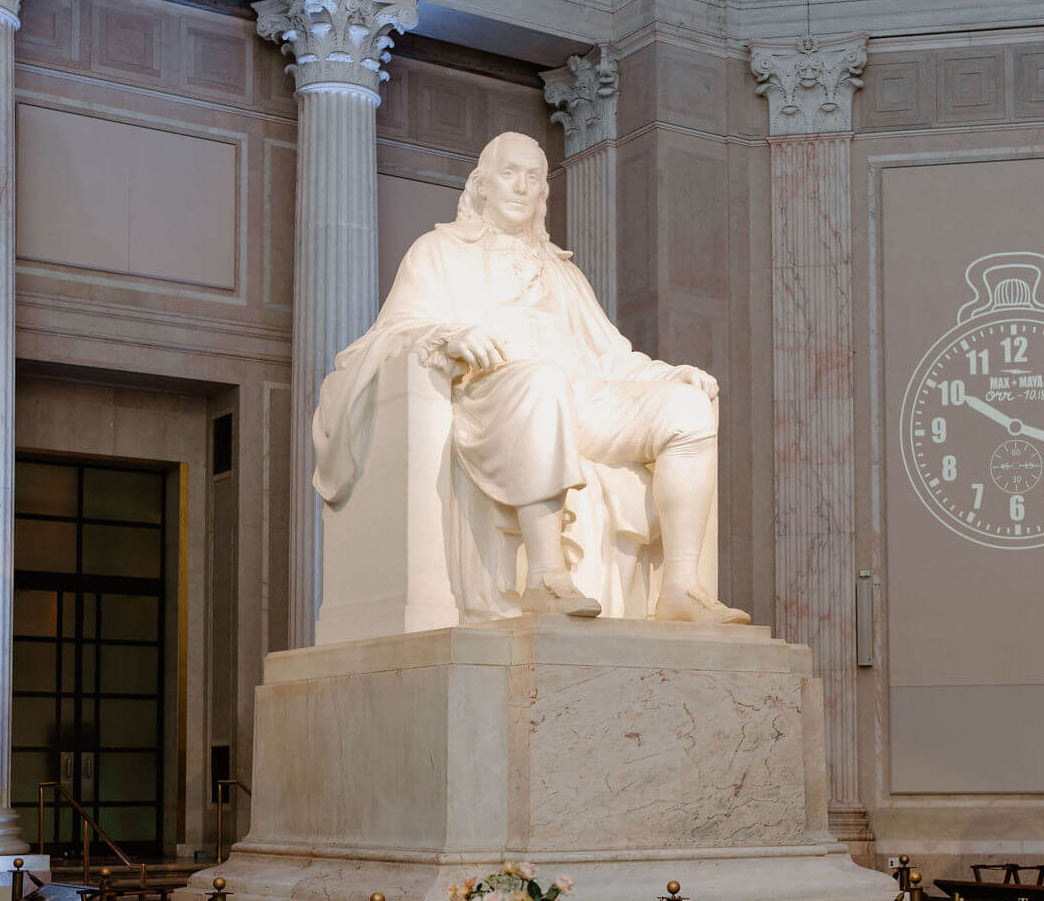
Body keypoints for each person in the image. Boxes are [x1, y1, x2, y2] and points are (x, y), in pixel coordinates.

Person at [310, 131, 747, 624]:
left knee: (685, 409)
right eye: (509, 173)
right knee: (543, 383)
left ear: (543, 194)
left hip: (579, 400)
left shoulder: (564, 273)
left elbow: (610, 355)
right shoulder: (438, 251)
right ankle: (545, 576)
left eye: (533, 177)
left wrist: (668, 376)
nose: (521, 186)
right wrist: (444, 336)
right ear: (482, 186)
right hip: (491, 396)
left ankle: (681, 589)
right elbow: (392, 332)